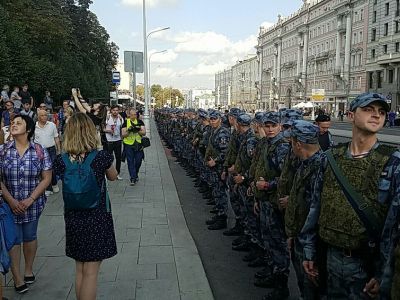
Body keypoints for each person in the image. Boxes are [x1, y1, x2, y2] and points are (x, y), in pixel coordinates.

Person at [302, 93, 399, 299]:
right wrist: (309, 251)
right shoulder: (331, 158)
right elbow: (315, 206)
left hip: (365, 267)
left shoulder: (392, 163)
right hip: (328, 258)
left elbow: (394, 228)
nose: (376, 115)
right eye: (368, 110)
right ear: (350, 115)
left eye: (381, 112)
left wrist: (384, 274)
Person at [53, 112, 118, 300]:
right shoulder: (101, 157)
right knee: (91, 271)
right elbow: (113, 177)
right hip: (97, 217)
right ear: (90, 131)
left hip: (73, 217)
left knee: (80, 268)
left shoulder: (61, 160)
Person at [0, 115, 52, 294]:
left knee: (29, 236)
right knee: (13, 239)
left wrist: (30, 199)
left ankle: (28, 269)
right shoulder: (3, 150)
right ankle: (17, 277)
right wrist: (11, 200)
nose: (13, 125)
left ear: (28, 129)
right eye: (12, 123)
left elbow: (47, 178)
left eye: (18, 123)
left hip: (33, 203)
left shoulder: (39, 150)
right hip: (8, 204)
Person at [34, 110, 61, 196]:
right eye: (42, 115)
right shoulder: (34, 126)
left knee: (50, 167)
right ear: (38, 116)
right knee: (44, 169)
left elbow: (56, 137)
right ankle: (48, 187)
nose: (45, 117)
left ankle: (54, 183)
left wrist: (59, 149)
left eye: (46, 115)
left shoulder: (52, 125)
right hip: (39, 150)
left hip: (51, 149)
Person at [121, 107, 145, 185]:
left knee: (138, 161)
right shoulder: (125, 122)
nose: (133, 116)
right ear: (129, 115)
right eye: (132, 115)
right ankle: (133, 178)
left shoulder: (140, 122)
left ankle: (135, 173)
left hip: (138, 144)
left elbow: (144, 133)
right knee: (130, 161)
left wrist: (138, 130)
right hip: (128, 144)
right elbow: (123, 135)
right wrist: (129, 130)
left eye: (135, 114)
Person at [104, 105, 123, 180]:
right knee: (109, 158)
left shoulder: (120, 119)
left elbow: (122, 128)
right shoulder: (107, 118)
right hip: (109, 140)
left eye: (117, 110)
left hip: (118, 140)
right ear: (111, 110)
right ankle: (107, 173)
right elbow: (102, 128)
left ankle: (117, 173)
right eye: (114, 110)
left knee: (118, 158)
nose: (115, 112)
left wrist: (122, 138)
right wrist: (109, 131)